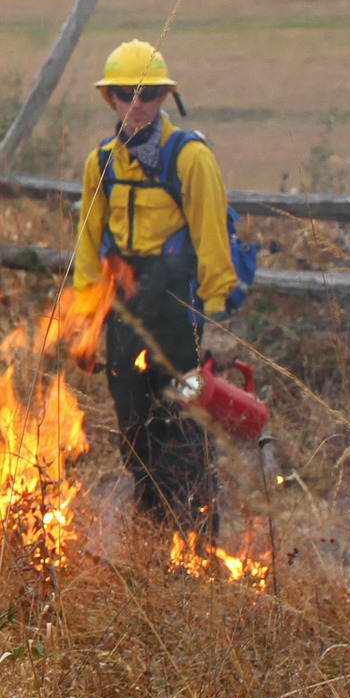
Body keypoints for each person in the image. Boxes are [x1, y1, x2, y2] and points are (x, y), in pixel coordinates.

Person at [69, 40, 243, 539]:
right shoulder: (100, 163)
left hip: (179, 316)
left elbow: (212, 245)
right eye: (126, 94)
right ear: (112, 100)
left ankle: (201, 546)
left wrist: (217, 325)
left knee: (187, 433)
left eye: (148, 94)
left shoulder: (190, 159)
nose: (137, 104)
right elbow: (88, 247)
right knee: (134, 432)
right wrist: (86, 323)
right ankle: (151, 543)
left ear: (164, 98)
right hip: (125, 315)